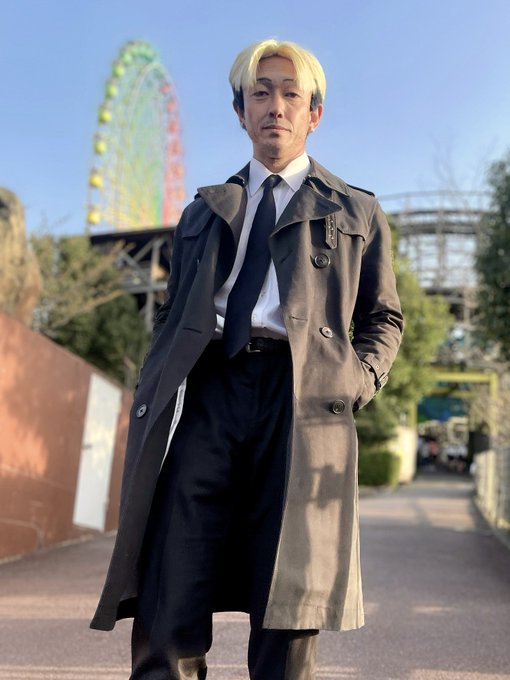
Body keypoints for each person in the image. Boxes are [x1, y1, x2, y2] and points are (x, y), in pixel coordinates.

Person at [90, 38, 404, 679]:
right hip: (209, 391)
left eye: (291, 94)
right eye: (260, 93)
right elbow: (172, 312)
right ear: (241, 112)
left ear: (314, 113)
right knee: (171, 572)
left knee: (288, 593)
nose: (275, 107)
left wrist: (357, 378)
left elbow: (384, 317)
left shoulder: (357, 211)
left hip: (302, 401)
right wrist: (159, 370)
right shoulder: (201, 212)